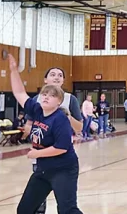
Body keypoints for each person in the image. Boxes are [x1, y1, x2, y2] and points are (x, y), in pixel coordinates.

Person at [16, 85, 83, 214]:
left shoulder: (60, 119)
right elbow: (20, 93)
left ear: (59, 102)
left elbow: (61, 147)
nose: (46, 97)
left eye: (52, 95)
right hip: (43, 170)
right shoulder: (37, 110)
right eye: (45, 94)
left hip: (63, 169)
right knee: (24, 209)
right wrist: (13, 70)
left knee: (67, 210)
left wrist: (37, 153)